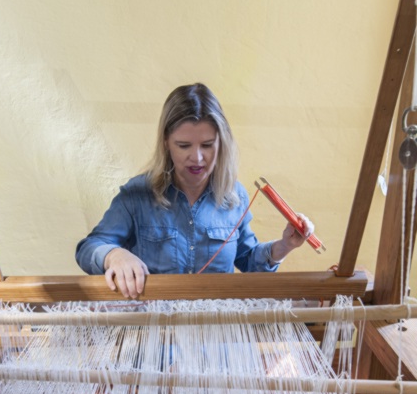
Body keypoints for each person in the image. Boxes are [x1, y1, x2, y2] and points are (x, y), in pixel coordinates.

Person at [76, 83, 313, 298]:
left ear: (221, 143)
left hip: (217, 337)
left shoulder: (235, 197)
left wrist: (284, 246)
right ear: (166, 143)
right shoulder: (137, 195)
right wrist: (114, 256)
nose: (197, 158)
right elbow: (88, 248)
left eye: (207, 145)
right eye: (184, 145)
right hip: (154, 336)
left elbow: (249, 261)